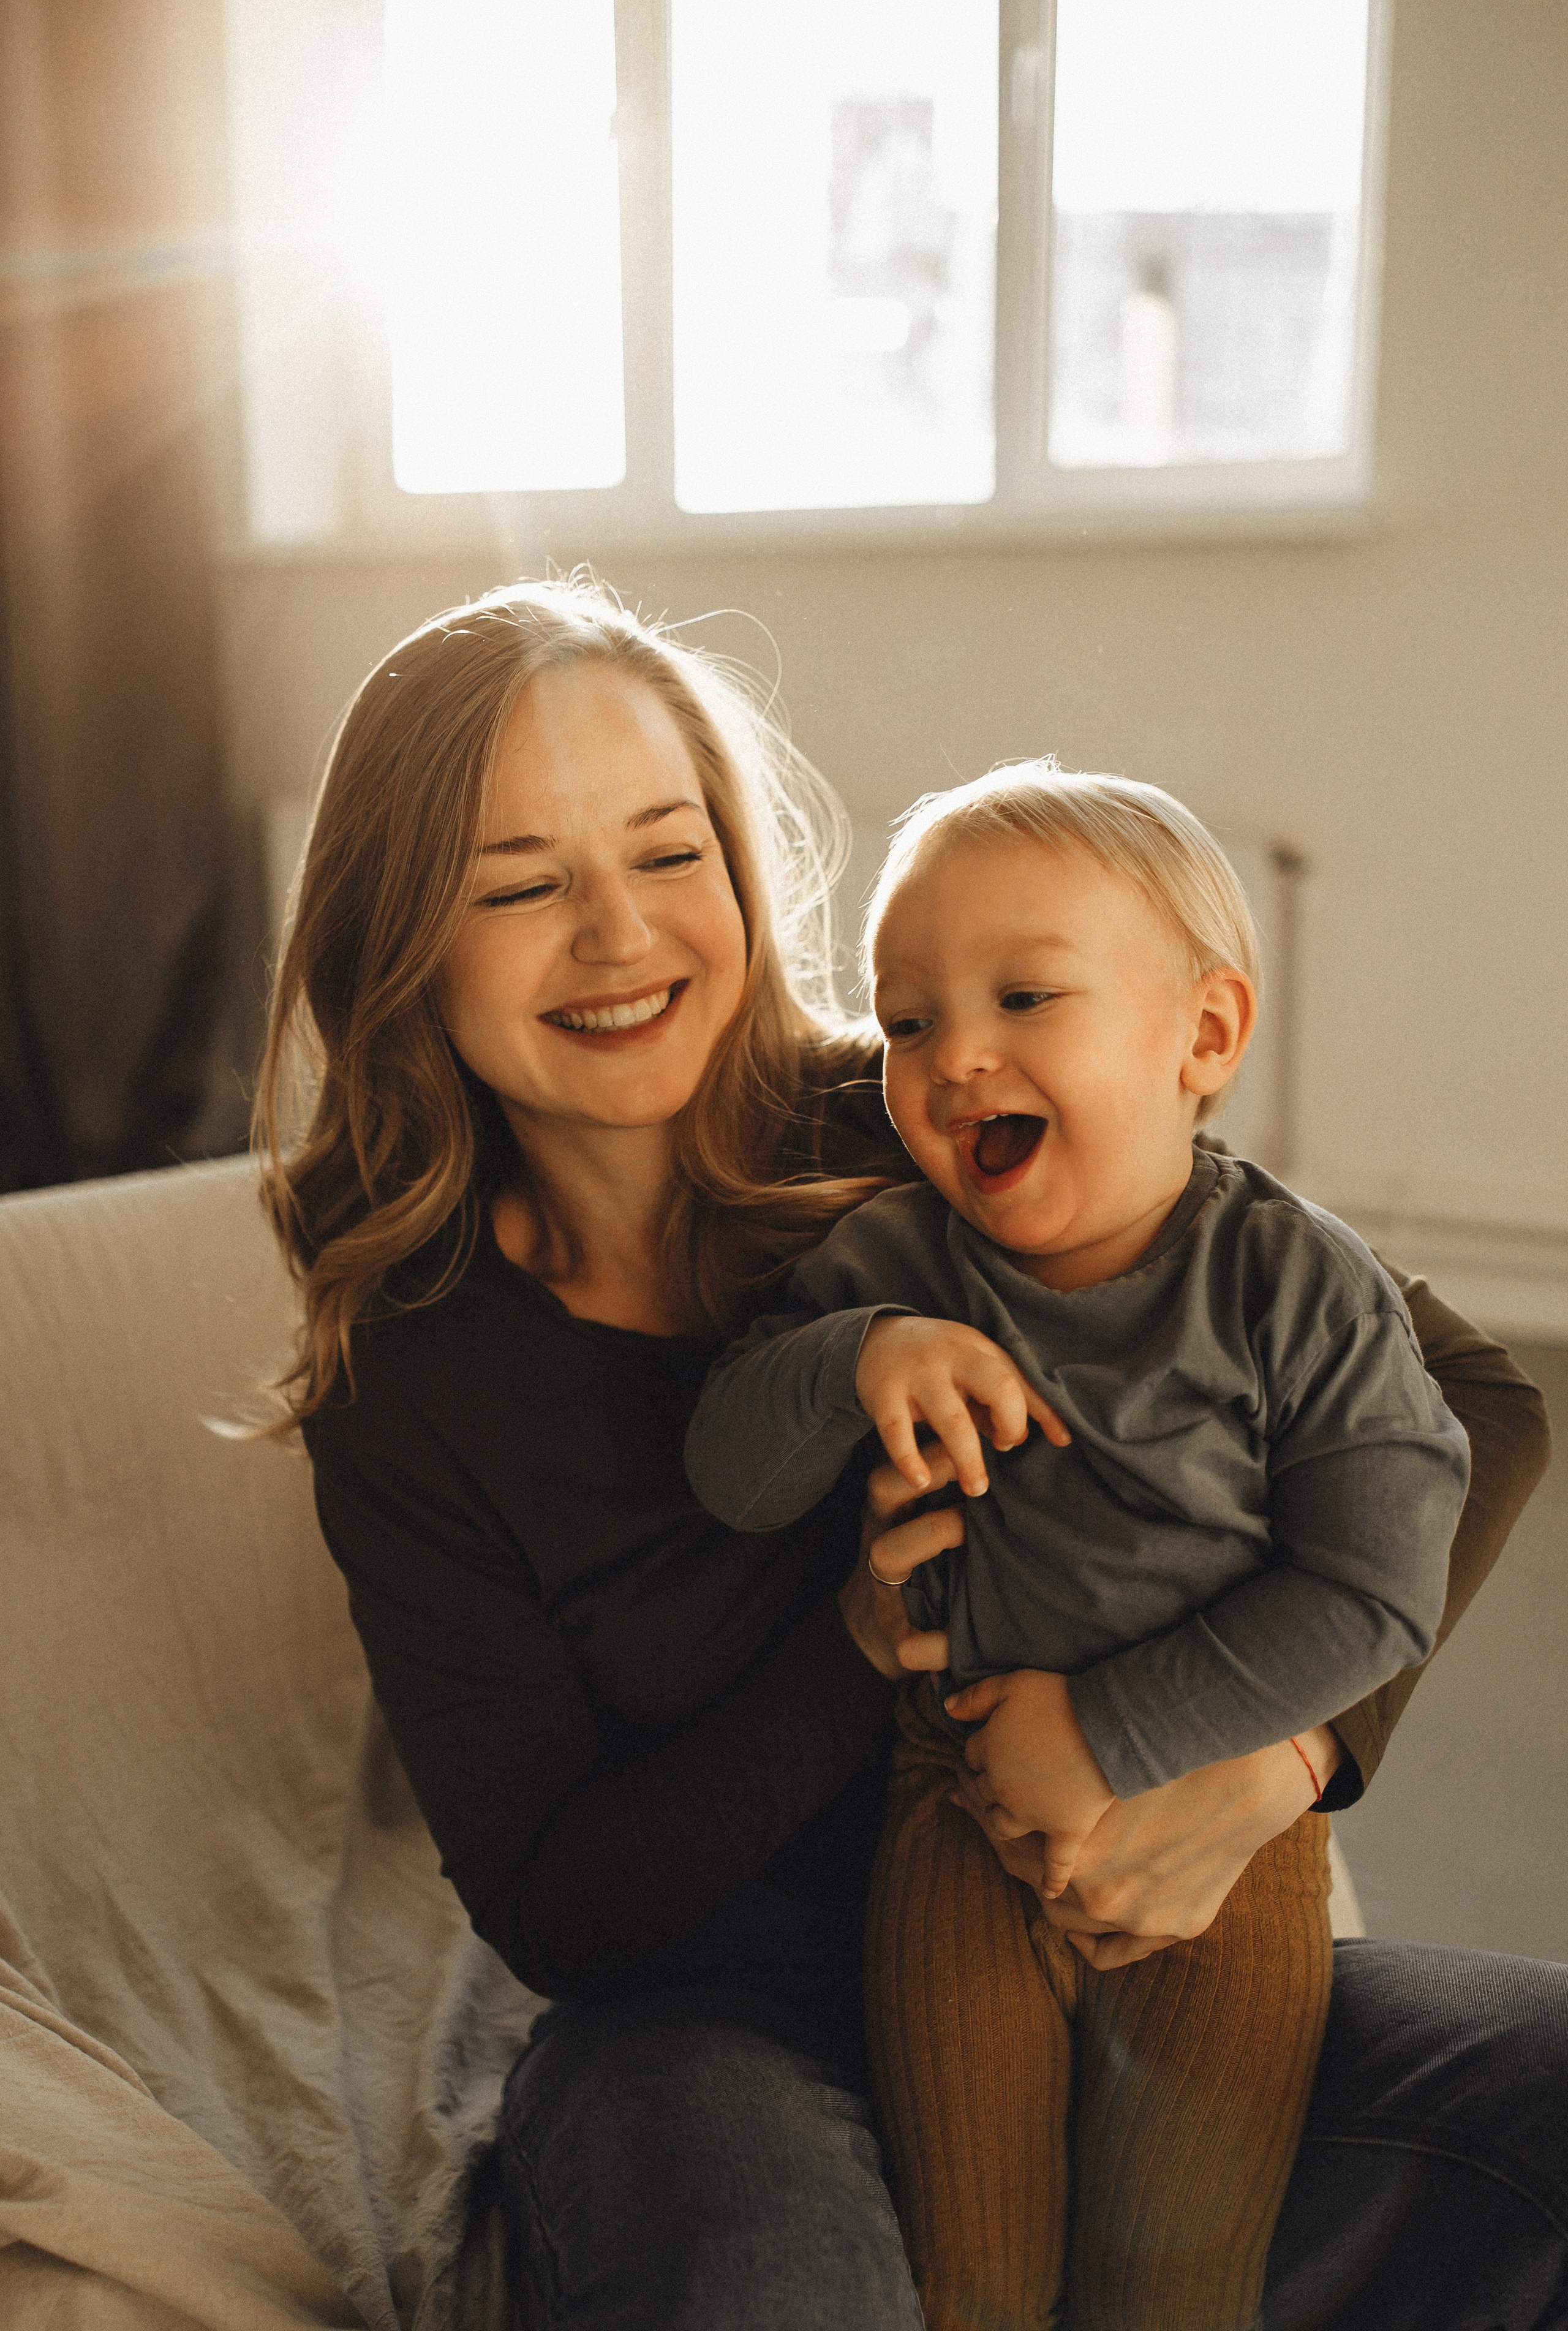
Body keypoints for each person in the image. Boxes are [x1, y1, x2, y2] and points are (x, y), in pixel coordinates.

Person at [255, 575, 1562, 2331]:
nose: (619, 935)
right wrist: (858, 1648)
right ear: (401, 941)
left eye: (667, 854)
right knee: (777, 2288)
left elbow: (1474, 1397)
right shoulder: (413, 1373)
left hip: (1122, 1918)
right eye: (518, 886)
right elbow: (563, 1909)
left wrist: (1275, 1759)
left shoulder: (932, 1112)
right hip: (712, 2023)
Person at [684, 763, 1472, 2331]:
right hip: (953, 1819)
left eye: (1023, 996)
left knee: (1171, 2283)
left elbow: (1376, 1583)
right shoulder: (892, 1260)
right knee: (967, 2272)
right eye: (905, 1022)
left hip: (1225, 1861)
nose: (952, 1056)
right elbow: (729, 1478)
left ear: (1202, 1036)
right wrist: (850, 1362)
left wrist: (1107, 1736)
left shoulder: (1292, 1285)